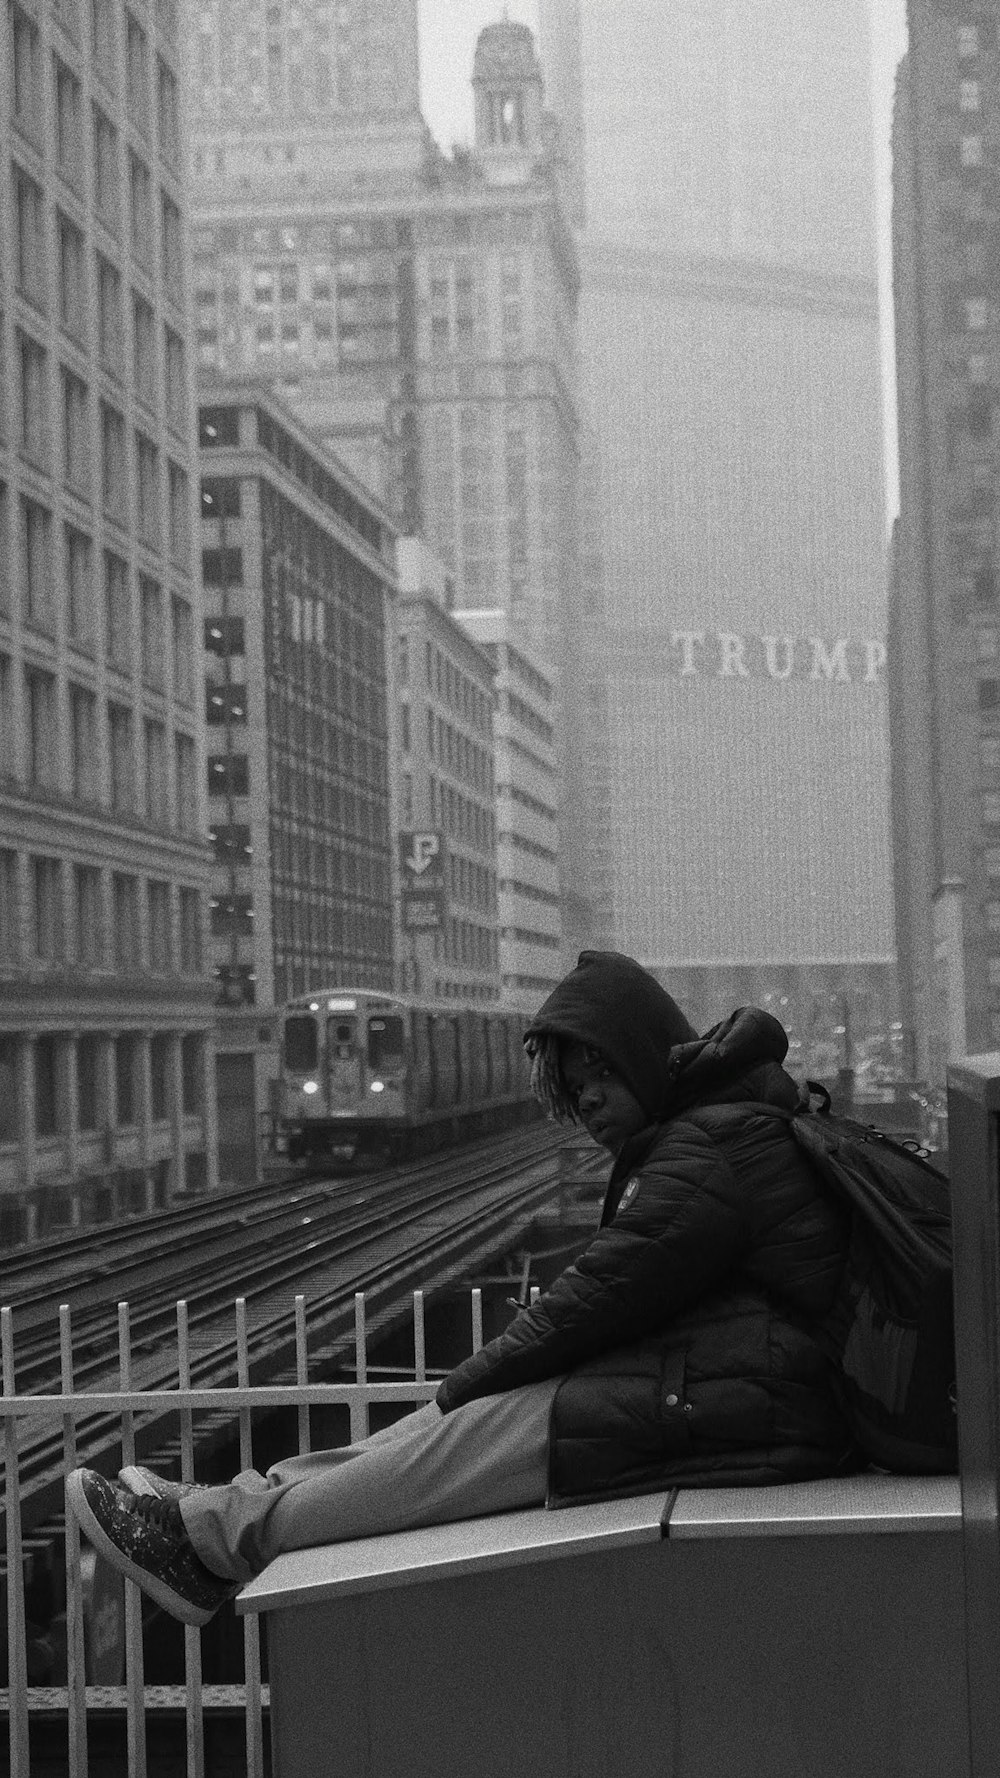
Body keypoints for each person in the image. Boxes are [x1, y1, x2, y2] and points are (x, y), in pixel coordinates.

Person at [66, 951, 855, 1627]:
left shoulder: (706, 1146)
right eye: (574, 1095)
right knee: (445, 1430)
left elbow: (594, 1298)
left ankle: (213, 1542)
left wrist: (461, 1388)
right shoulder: (720, 1125)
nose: (587, 1109)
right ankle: (213, 1516)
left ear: (641, 1053)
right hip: (733, 1390)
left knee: (445, 1446)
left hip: (747, 1403)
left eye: (598, 1082)